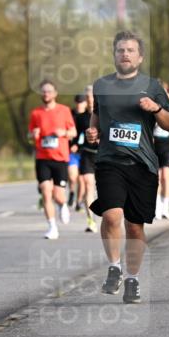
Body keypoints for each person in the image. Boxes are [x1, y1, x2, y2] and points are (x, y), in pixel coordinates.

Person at [86, 31, 169, 304]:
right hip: (109, 161)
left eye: (130, 50)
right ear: (114, 55)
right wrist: (92, 130)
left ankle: (132, 280)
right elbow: (97, 114)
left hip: (143, 164)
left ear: (140, 56)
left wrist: (155, 109)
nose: (124, 54)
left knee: (135, 227)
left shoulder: (152, 86)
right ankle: (114, 268)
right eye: (120, 50)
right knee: (112, 216)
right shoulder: (101, 85)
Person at [29, 80, 76, 239]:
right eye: (43, 91)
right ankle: (52, 227)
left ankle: (63, 205)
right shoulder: (36, 113)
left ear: (55, 93)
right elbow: (30, 136)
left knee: (58, 195)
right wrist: (33, 135)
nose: (46, 94)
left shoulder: (64, 111)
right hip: (42, 158)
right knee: (45, 192)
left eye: (49, 91)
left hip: (60, 158)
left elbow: (73, 132)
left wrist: (63, 133)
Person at [71, 90, 98, 232]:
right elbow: (77, 136)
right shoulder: (81, 118)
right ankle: (91, 220)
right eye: (88, 98)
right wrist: (75, 144)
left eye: (92, 97)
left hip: (103, 155)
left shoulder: (106, 114)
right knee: (88, 186)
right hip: (87, 154)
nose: (90, 100)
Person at [153, 83, 169, 219]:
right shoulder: (152, 107)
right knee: (156, 177)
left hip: (168, 146)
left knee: (165, 175)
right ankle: (156, 205)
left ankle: (165, 205)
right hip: (155, 146)